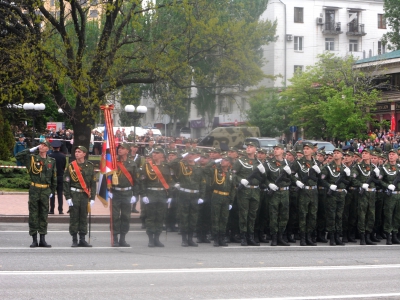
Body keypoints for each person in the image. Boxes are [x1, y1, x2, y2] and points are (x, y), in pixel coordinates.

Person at [15, 141, 56, 248]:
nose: (41, 147)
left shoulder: (51, 161)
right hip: (34, 189)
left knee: (44, 215)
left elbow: (54, 178)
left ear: (48, 148)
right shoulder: (32, 158)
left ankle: (42, 239)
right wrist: (30, 150)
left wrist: (52, 191)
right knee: (33, 215)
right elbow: (18, 156)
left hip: (45, 191)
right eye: (41, 145)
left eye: (44, 145)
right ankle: (34, 239)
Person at [139, 147, 174, 247]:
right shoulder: (146, 166)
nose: (154, 154)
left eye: (157, 153)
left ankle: (157, 239)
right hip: (151, 194)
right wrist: (144, 195)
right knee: (150, 217)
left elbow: (169, 182)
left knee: (160, 217)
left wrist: (170, 195)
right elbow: (142, 182)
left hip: (162, 194)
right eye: (153, 153)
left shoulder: (166, 166)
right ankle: (150, 239)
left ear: (162, 155)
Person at [63, 146, 96, 247]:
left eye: (79, 152)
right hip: (74, 194)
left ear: (84, 154)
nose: (77, 153)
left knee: (83, 217)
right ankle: (74, 239)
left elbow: (93, 183)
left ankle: (82, 239)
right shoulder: (71, 166)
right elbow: (66, 182)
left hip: (85, 195)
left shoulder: (90, 166)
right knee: (74, 217)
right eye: (76, 152)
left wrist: (93, 198)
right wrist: (68, 197)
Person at [232, 141, 263, 246]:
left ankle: (251, 236)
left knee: (252, 215)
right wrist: (241, 180)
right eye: (247, 146)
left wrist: (263, 173)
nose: (248, 148)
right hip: (244, 191)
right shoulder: (240, 161)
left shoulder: (258, 163)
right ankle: (243, 236)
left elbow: (263, 179)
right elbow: (233, 175)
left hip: (255, 190)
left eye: (251, 147)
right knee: (243, 214)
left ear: (255, 149)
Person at [290, 142, 320, 246]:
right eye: (304, 148)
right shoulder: (298, 162)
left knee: (313, 215)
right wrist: (296, 181)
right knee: (303, 214)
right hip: (304, 191)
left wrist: (319, 172)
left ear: (312, 150)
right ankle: (302, 237)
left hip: (314, 191)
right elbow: (291, 174)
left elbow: (321, 178)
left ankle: (309, 236)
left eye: (308, 148)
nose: (305, 150)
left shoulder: (316, 163)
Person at [109, 143, 139, 247]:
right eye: (119, 148)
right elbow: (107, 176)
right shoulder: (113, 162)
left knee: (126, 216)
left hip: (127, 193)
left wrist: (135, 195)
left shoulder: (132, 164)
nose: (120, 150)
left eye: (122, 149)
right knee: (115, 216)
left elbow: (136, 180)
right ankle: (115, 238)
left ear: (127, 151)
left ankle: (123, 238)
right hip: (115, 192)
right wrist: (108, 190)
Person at [263, 143, 292, 246]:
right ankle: (274, 237)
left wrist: (290, 174)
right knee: (273, 215)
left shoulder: (288, 163)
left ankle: (280, 236)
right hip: (274, 192)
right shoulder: (268, 163)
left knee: (284, 215)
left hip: (284, 192)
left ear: (282, 151)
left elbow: (292, 179)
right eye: (274, 149)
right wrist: (269, 184)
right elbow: (264, 178)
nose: (275, 150)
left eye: (278, 149)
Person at [320, 148, 350, 246]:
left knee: (339, 216)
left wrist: (348, 177)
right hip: (332, 194)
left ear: (342, 155)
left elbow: (349, 181)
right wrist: (329, 186)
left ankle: (338, 237)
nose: (336, 155)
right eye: (334, 153)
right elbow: (322, 180)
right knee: (331, 216)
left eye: (338, 153)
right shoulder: (327, 167)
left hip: (341, 194)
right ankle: (332, 237)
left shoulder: (344, 168)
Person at [210, 156, 236, 246]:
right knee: (216, 218)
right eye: (222, 160)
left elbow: (233, 188)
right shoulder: (216, 171)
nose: (223, 162)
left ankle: (222, 238)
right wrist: (214, 161)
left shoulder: (231, 174)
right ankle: (216, 239)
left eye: (225, 160)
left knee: (224, 219)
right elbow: (207, 168)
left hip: (226, 198)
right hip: (217, 195)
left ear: (229, 163)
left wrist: (231, 201)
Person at [48, 140, 67, 214]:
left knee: (52, 194)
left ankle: (52, 210)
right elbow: (63, 166)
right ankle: (60, 210)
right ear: (59, 148)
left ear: (52, 147)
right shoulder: (63, 156)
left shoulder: (49, 156)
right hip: (60, 176)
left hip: (52, 177)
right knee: (60, 194)